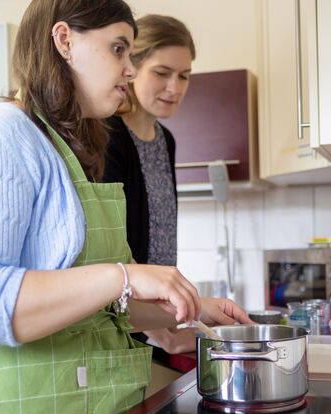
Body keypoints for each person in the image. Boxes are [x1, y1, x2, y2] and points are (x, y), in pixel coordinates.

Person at [0, 1, 250, 412]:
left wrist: (193, 308)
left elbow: (98, 308)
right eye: (118, 49)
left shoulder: (67, 150)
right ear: (64, 41)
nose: (130, 70)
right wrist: (122, 276)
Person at [101, 15, 232, 354]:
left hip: (153, 321)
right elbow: (110, 252)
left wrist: (169, 325)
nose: (175, 87)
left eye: (184, 76)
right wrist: (158, 329)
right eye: (162, 73)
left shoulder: (165, 139)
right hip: (121, 323)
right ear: (132, 68)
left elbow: (158, 240)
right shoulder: (109, 136)